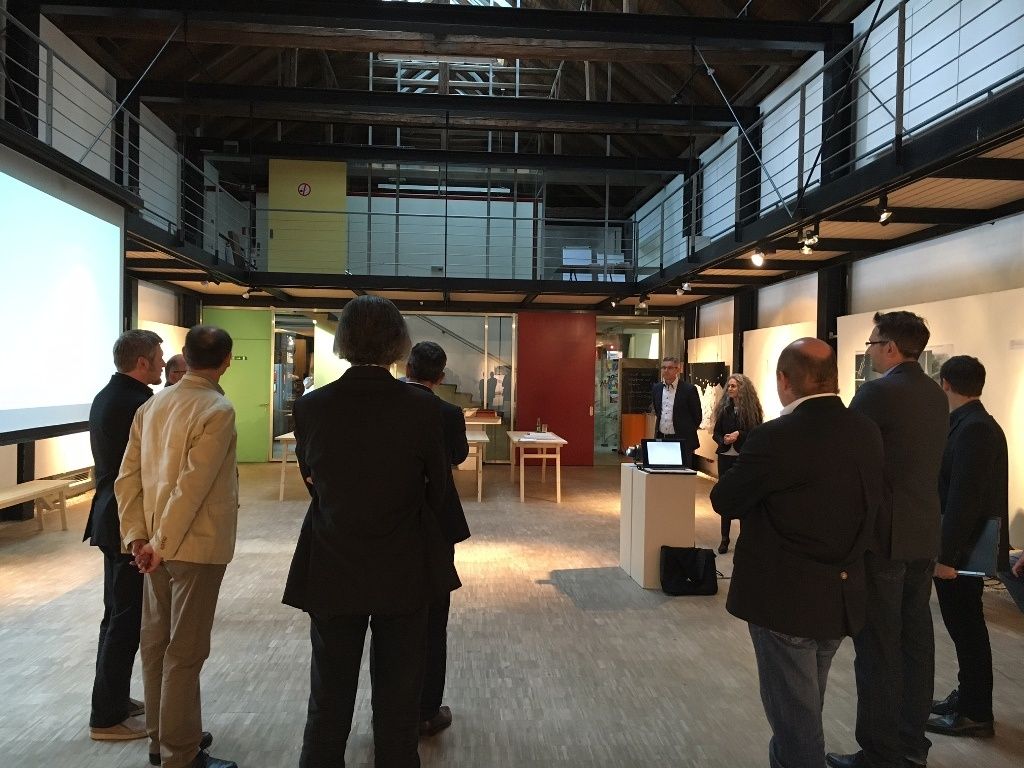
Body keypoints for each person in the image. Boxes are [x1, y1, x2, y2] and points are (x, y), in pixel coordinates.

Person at [282, 296, 458, 768]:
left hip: (333, 560)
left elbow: (312, 481)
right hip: (403, 564)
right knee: (400, 695)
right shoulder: (422, 408)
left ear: (343, 341)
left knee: (328, 691)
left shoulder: (312, 406)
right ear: (398, 343)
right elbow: (438, 490)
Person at [711, 338, 884, 768]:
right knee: (806, 707)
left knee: (796, 722)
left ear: (784, 380)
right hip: (839, 594)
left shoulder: (775, 437)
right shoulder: (865, 429)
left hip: (784, 597)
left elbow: (725, 499)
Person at [827, 311, 949, 768]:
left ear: (891, 347)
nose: (870, 351)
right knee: (916, 642)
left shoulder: (876, 393)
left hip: (884, 539)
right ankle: (911, 745)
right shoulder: (935, 395)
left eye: (872, 343)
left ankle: (880, 754)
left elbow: (847, 458)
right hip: (923, 535)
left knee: (879, 647)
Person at [116, 325, 239, 768]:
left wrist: (139, 538)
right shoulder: (216, 409)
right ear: (227, 360)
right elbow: (193, 486)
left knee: (156, 645)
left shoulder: (152, 405)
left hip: (153, 548)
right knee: (185, 652)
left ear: (185, 355)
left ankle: (162, 738)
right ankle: (181, 754)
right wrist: (160, 544)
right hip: (193, 548)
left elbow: (126, 478)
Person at [85, 329, 164, 741]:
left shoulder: (107, 395)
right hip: (125, 523)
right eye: (159, 357)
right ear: (142, 362)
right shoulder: (138, 404)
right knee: (125, 619)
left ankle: (112, 698)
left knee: (115, 614)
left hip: (109, 517)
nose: (163, 363)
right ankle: (107, 716)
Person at [927, 355, 1008, 738]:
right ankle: (968, 698)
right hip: (961, 548)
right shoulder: (971, 424)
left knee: (968, 629)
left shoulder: (974, 428)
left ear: (945, 383)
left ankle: (976, 711)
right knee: (964, 628)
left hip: (961, 552)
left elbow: (964, 500)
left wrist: (945, 557)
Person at [403, 341, 471, 737]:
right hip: (435, 518)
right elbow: (458, 455)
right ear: (441, 376)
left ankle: (392, 709)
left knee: (393, 619)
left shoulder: (385, 405)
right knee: (433, 618)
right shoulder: (446, 412)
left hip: (389, 521)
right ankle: (427, 710)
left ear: (407, 367)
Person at [711, 373, 763, 554]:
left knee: (743, 496)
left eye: (734, 386)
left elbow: (756, 433)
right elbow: (716, 432)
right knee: (726, 494)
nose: (730, 389)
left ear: (742, 388)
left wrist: (739, 435)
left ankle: (744, 538)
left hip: (743, 457)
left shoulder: (752, 410)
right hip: (725, 456)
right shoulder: (725, 409)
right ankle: (724, 538)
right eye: (729, 386)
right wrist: (723, 440)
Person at [650, 356, 702, 468]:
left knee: (682, 473)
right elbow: (658, 411)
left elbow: (697, 416)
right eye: (663, 368)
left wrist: (686, 430)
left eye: (670, 368)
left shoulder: (689, 389)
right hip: (662, 437)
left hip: (682, 439)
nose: (666, 371)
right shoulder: (657, 388)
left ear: (677, 370)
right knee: (663, 472)